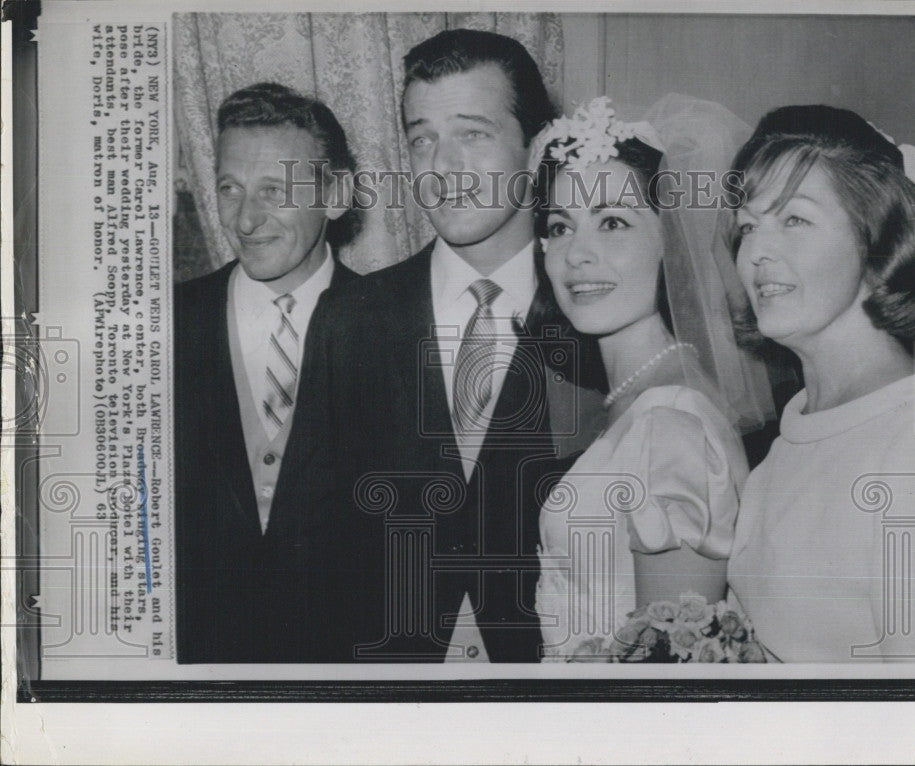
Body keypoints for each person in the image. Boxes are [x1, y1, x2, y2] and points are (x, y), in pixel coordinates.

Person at [275, 29, 606, 662]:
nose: (443, 166)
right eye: (422, 138)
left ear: (537, 148)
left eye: (473, 133)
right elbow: (306, 547)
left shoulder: (595, 314)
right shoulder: (349, 318)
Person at [726, 105, 915, 662]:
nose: (757, 253)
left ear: (877, 238)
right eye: (748, 226)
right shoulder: (782, 449)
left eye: (794, 219)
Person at [531, 96, 776, 661]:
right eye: (559, 226)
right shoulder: (631, 400)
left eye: (613, 222)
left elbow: (671, 669)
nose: (576, 255)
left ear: (671, 241)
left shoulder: (670, 426)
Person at [174, 82, 360, 662]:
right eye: (230, 188)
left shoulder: (393, 326)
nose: (246, 219)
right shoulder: (161, 327)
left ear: (337, 195)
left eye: (274, 191)